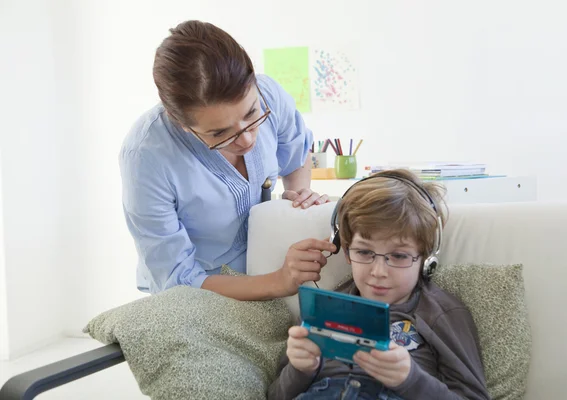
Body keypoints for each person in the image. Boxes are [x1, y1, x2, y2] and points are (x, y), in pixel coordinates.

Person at [119, 20, 331, 298]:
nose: (246, 140)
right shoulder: (147, 156)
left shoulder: (269, 94)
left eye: (252, 114)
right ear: (180, 122)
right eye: (219, 132)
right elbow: (177, 276)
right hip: (204, 293)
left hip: (273, 270)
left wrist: (301, 198)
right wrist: (278, 282)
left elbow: (296, 153)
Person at [268, 169, 490, 400]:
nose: (379, 272)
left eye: (399, 256)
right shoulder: (322, 309)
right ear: (346, 251)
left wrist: (411, 379)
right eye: (364, 252)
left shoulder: (441, 313)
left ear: (425, 259)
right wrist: (300, 370)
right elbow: (276, 395)